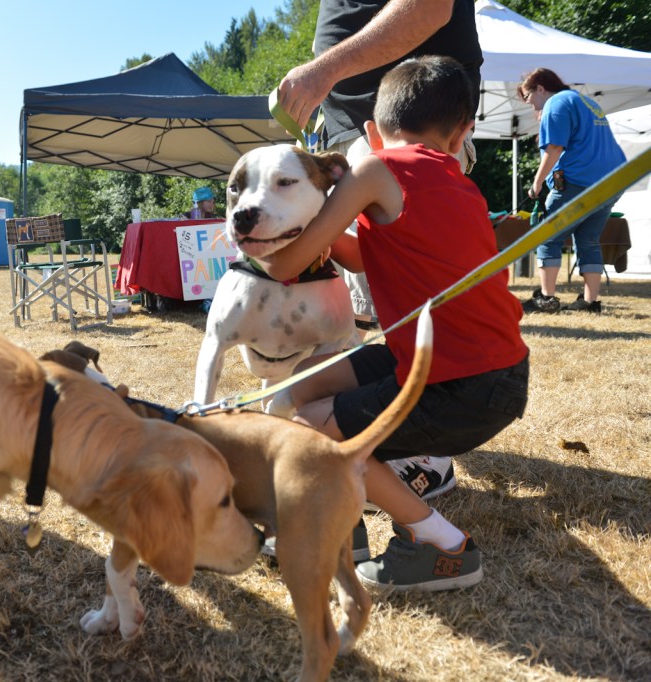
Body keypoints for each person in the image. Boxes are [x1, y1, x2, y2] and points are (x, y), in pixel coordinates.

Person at [258, 56, 530, 590]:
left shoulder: (376, 170)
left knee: (310, 431)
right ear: (463, 135)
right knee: (306, 377)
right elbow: (362, 257)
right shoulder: (458, 183)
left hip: (461, 384)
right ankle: (343, 526)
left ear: (368, 133)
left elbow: (283, 265)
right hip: (481, 368)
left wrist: (256, 222)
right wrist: (320, 223)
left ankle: (443, 547)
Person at [275, 0, 484, 499]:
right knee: (381, 305)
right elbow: (371, 257)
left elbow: (429, 8)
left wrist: (261, 237)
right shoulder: (409, 175)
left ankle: (418, 459)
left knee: (392, 315)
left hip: (392, 129)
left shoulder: (383, 168)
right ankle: (404, 447)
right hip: (365, 127)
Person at [517, 68, 626, 314]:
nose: (528, 103)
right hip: (613, 181)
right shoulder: (586, 101)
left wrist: (537, 182)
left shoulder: (556, 103)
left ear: (541, 89)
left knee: (548, 236)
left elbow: (554, 148)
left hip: (578, 179)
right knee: (588, 240)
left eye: (528, 96)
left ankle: (546, 299)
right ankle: (590, 302)